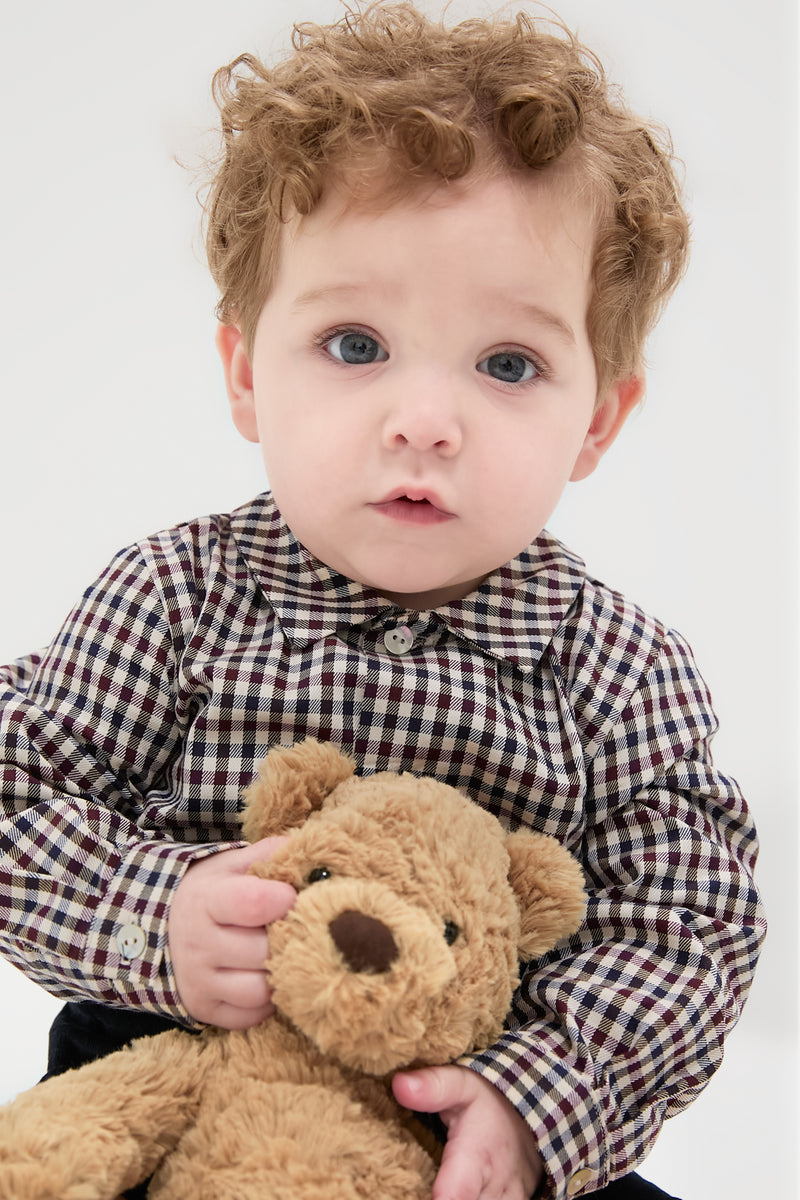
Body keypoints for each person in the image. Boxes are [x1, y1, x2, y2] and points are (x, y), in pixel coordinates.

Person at [0, 4, 765, 1198]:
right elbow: (18, 785)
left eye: (506, 366)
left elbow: (686, 922)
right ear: (247, 373)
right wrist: (157, 915)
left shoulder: (614, 670)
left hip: (468, 1103)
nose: (422, 420)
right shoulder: (176, 597)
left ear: (597, 420)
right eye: (354, 345)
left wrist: (540, 1096)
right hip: (176, 1067)